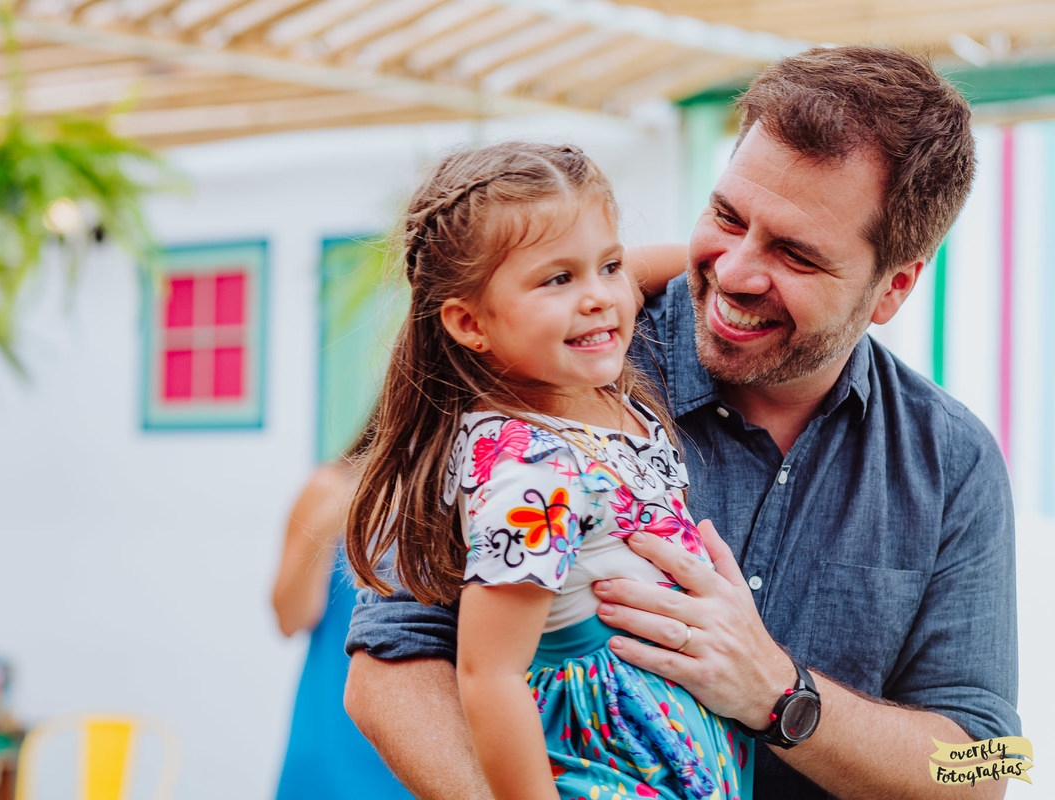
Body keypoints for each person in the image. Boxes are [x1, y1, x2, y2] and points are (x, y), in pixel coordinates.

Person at [344, 45, 1020, 800]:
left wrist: (784, 696)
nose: (733, 273)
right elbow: (387, 669)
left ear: (892, 289)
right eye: (727, 217)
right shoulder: (559, 370)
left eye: (795, 255)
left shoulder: (953, 459)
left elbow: (993, 767)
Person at [344, 141, 749, 800]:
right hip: (614, 764)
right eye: (558, 279)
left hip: (676, 746)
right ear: (470, 322)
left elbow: (610, 276)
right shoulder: (530, 470)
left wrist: (724, 259)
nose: (599, 298)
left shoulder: (590, 396)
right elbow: (489, 675)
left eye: (610, 266)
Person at [270, 425, 411, 800]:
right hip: (333, 733)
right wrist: (336, 515)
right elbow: (290, 619)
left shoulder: (478, 496)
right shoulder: (330, 485)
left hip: (428, 732)